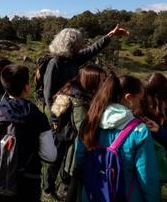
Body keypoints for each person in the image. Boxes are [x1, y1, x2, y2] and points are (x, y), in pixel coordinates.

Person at [43, 24, 129, 197]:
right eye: (78, 43)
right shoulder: (55, 63)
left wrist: (109, 35)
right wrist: (54, 120)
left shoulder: (73, 59)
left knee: (70, 150)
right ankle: (48, 187)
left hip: (73, 111)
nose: (81, 46)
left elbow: (92, 50)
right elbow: (48, 93)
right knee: (58, 152)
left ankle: (65, 183)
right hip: (60, 114)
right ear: (70, 45)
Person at [0, 64, 56, 202]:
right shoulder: (38, 116)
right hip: (27, 185)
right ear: (27, 87)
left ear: (5, 86)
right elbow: (50, 155)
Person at [74, 74, 160, 202]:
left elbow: (79, 160)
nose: (141, 103)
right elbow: (147, 176)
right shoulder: (139, 131)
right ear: (129, 98)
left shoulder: (90, 122)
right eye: (140, 99)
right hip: (127, 195)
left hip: (92, 193)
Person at [51, 65, 106, 200]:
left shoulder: (78, 95)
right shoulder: (80, 102)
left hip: (71, 146)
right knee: (73, 185)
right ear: (92, 81)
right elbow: (83, 128)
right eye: (102, 81)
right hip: (76, 151)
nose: (104, 84)